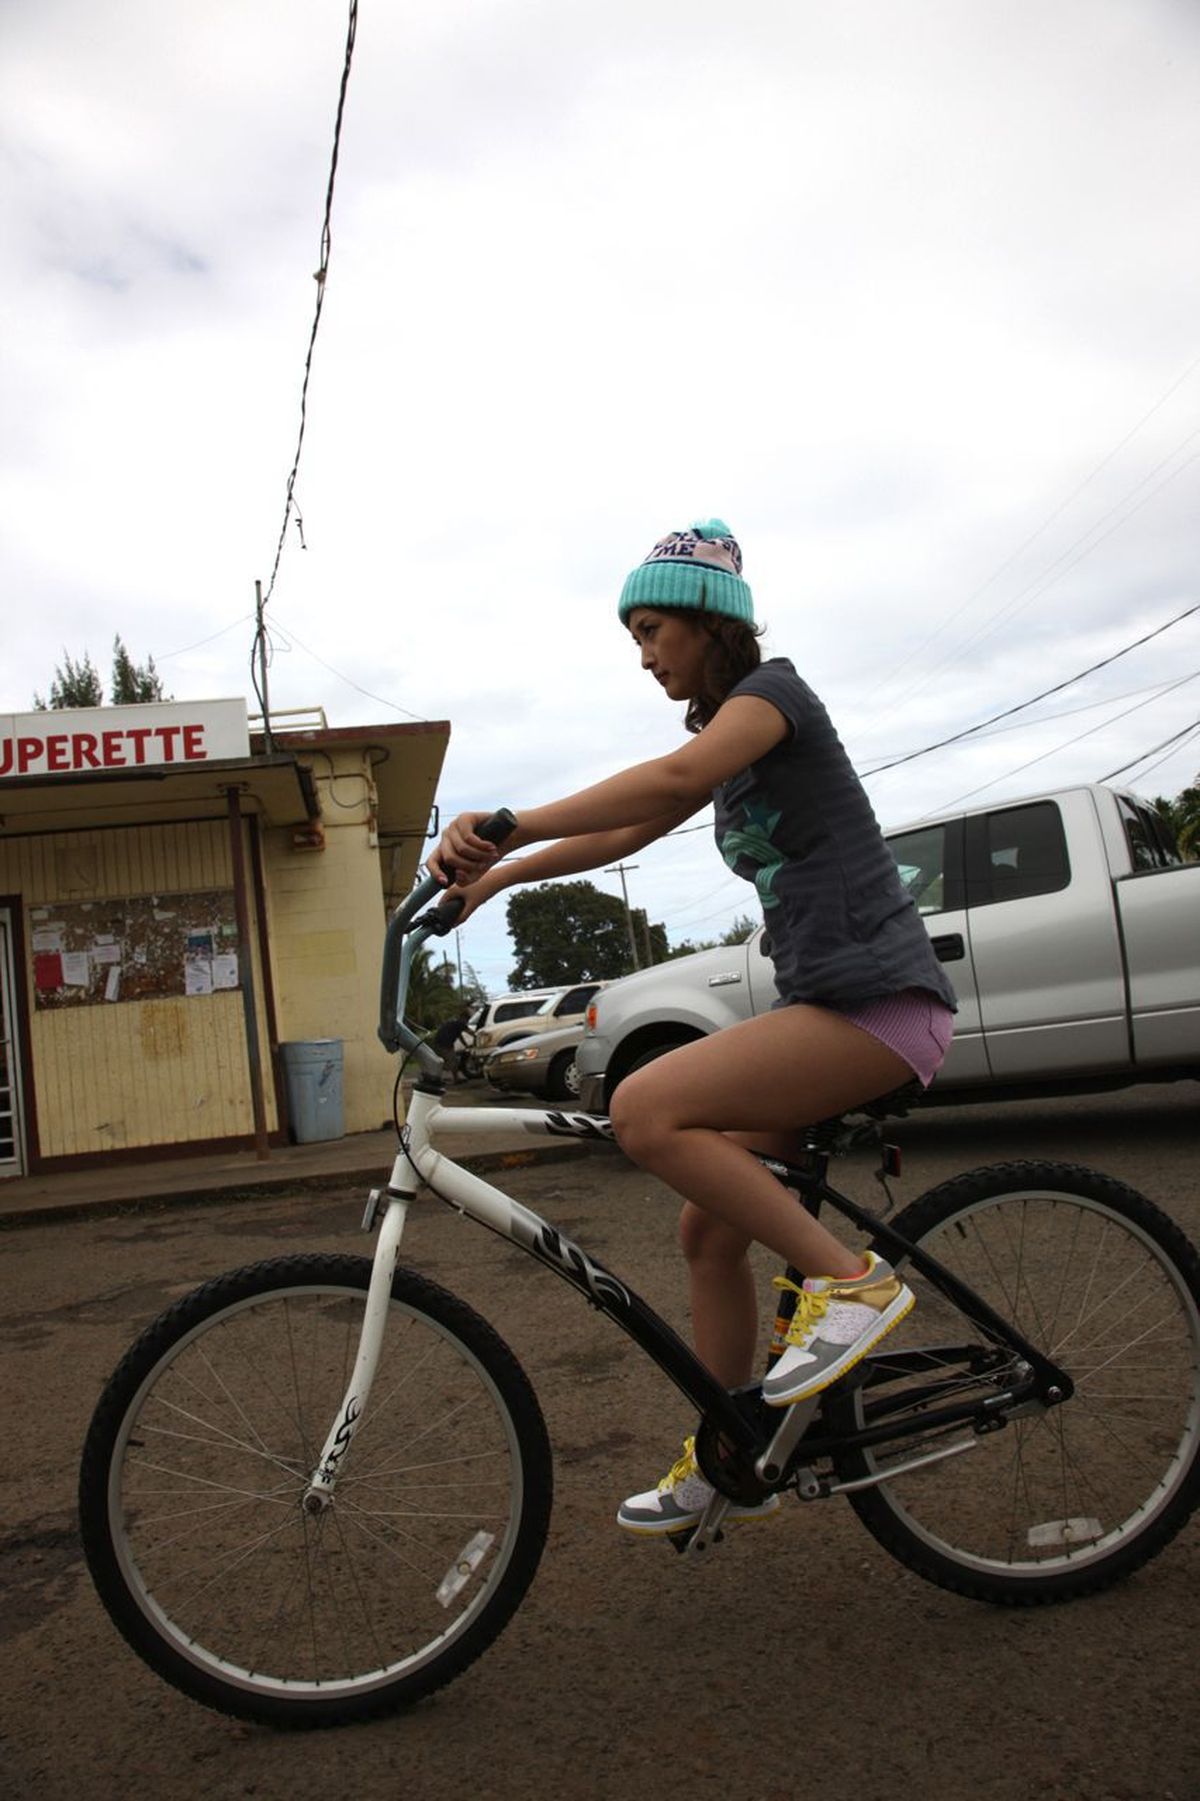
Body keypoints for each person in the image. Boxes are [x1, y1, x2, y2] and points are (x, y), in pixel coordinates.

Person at [429, 518, 957, 1536]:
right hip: (826, 1004)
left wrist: (509, 817)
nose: (642, 651)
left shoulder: (773, 701)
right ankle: (731, 1451)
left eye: (654, 625)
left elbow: (667, 786)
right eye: (634, 632)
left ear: (713, 622)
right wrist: (496, 878)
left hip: (881, 1005)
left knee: (646, 1108)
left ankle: (855, 1284)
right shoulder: (721, 742)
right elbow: (630, 827)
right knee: (706, 1232)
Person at [431, 1011, 473, 1084]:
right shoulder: (460, 1023)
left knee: (448, 1061)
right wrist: (478, 1036)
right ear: (463, 1018)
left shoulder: (455, 1024)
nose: (467, 1022)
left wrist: (466, 1045)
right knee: (452, 1062)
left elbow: (460, 1036)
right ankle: (437, 1078)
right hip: (444, 1044)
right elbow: (470, 1032)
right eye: (467, 1020)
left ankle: (453, 1078)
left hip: (440, 1043)